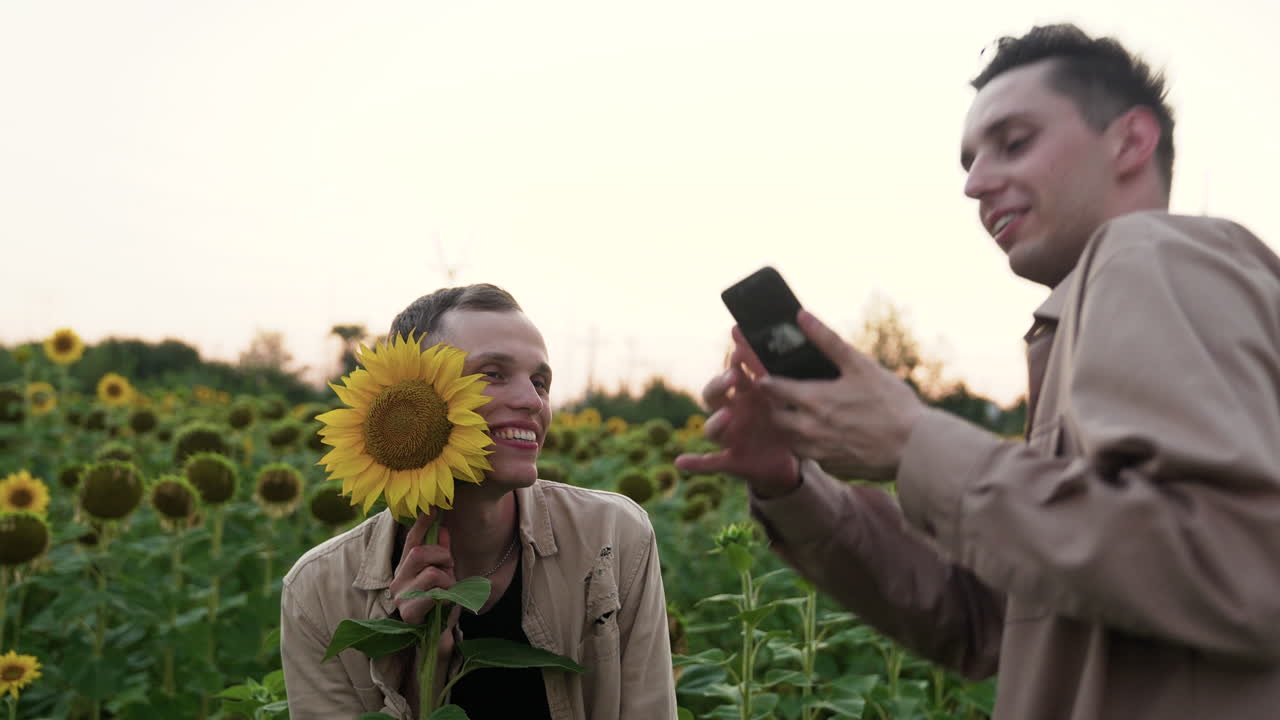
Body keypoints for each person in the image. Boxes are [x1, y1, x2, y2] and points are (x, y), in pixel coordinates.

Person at [678, 24, 1280, 720]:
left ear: (1131, 141)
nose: (974, 184)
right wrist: (791, 484)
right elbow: (987, 620)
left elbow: (1245, 567)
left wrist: (913, 441)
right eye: (968, 162)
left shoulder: (1149, 255)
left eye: (1014, 142)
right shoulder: (1087, 318)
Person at [281, 284, 677, 719]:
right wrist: (420, 670)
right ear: (413, 394)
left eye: (540, 382)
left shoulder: (613, 537)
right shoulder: (318, 592)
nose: (532, 401)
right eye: (492, 374)